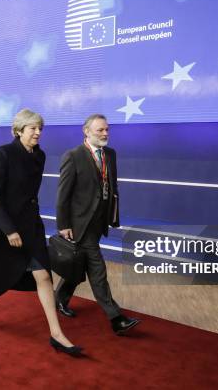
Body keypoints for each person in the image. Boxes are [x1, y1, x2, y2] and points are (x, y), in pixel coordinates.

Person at [0, 109, 82, 356]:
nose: (38, 133)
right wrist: (8, 230)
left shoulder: (39, 156)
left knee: (43, 276)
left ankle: (56, 333)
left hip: (31, 225)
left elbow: (30, 195)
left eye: (40, 128)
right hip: (3, 224)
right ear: (19, 130)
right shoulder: (4, 153)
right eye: (33, 128)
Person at [55, 114, 140, 335]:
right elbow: (63, 195)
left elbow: (112, 188)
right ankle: (116, 318)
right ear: (86, 131)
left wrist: (113, 216)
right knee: (97, 269)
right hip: (79, 224)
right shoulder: (72, 156)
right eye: (100, 130)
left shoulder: (110, 154)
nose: (105, 134)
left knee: (78, 266)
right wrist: (63, 224)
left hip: (98, 222)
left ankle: (58, 299)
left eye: (107, 130)